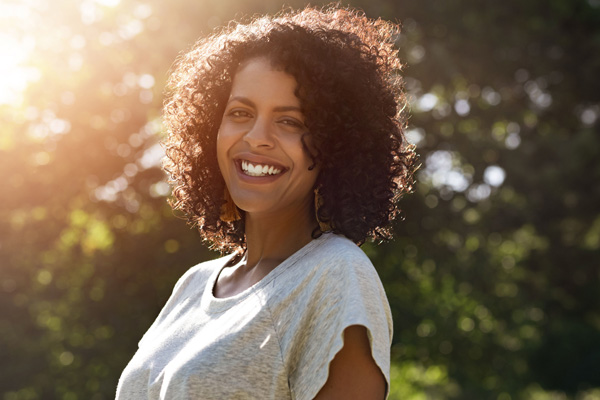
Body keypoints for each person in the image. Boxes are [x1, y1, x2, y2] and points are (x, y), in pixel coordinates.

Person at [116, 4, 416, 400]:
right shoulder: (194, 284)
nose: (257, 137)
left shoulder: (335, 276)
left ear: (335, 145)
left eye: (289, 121)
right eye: (240, 112)